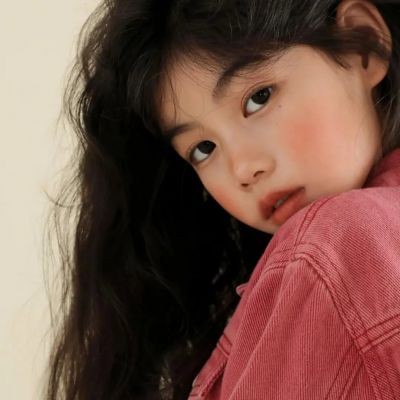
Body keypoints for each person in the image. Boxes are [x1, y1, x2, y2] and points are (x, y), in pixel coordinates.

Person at [44, 0, 400, 399]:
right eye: (203, 149)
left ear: (362, 44)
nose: (242, 169)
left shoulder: (333, 246)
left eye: (259, 98)